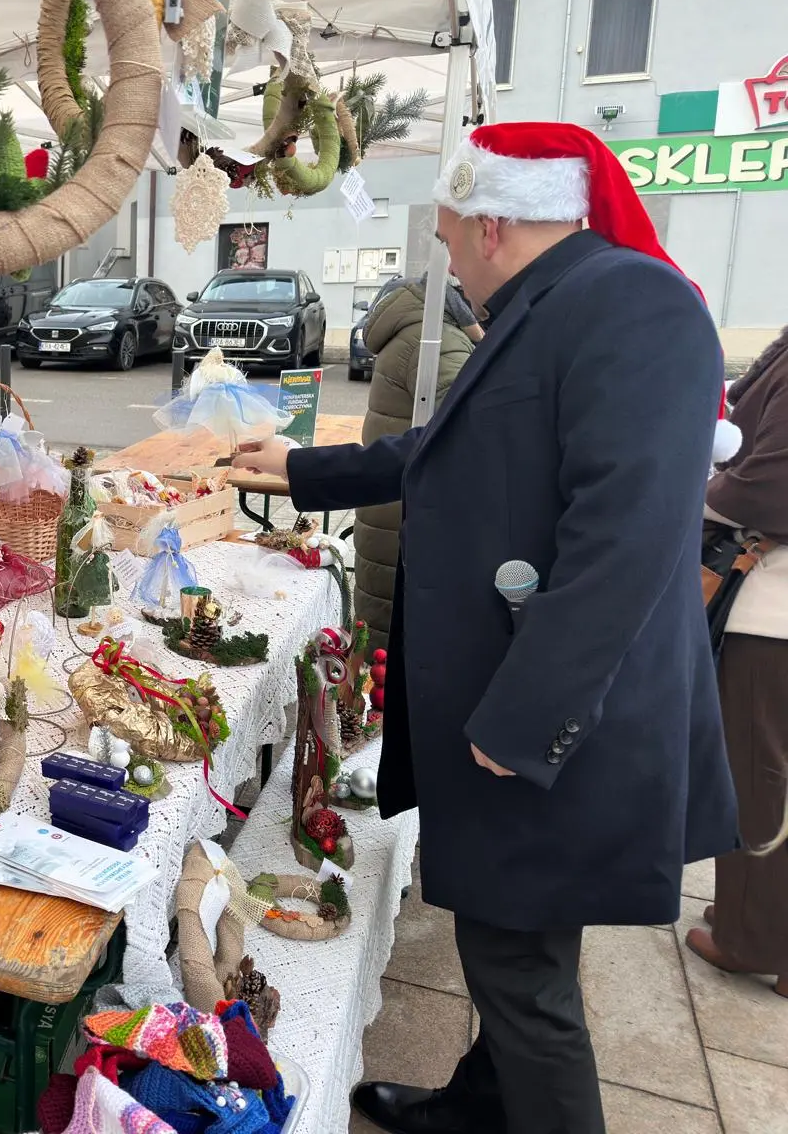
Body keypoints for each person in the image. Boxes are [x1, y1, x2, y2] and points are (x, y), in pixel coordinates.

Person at [236, 123, 739, 1134]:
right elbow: (448, 449)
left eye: (451, 231)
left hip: (550, 718)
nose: (447, 249)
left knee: (522, 975)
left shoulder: (630, 304)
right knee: (511, 947)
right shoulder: (547, 305)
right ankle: (480, 1104)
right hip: (526, 698)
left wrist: (525, 721)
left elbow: (626, 540)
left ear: (495, 220)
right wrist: (298, 470)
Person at [688, 325, 788, 998]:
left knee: (757, 771)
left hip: (775, 605)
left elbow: (768, 489)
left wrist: (697, 488)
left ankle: (751, 938)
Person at [353, 276, 478, 649]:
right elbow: (464, 442)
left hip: (387, 515)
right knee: (391, 655)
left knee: (379, 646)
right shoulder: (438, 344)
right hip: (407, 525)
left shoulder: (421, 330)